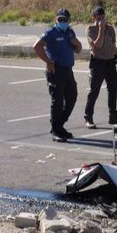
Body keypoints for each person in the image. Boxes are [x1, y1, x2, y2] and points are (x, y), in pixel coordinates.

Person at [33, 8, 81, 142]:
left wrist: (77, 43)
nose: (62, 21)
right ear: (56, 19)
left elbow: (78, 49)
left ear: (69, 20)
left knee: (72, 97)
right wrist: (48, 61)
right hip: (56, 70)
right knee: (57, 101)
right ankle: (56, 130)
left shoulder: (70, 32)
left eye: (65, 19)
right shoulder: (51, 32)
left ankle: (59, 125)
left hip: (68, 70)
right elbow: (37, 46)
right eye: (60, 19)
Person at [84, 6, 117, 129]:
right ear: (93, 18)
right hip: (98, 64)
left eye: (103, 18)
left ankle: (113, 116)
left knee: (113, 88)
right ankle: (88, 118)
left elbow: (114, 47)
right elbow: (97, 45)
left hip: (110, 63)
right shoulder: (90, 29)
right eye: (98, 18)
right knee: (94, 91)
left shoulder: (110, 29)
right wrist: (101, 29)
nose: (101, 20)